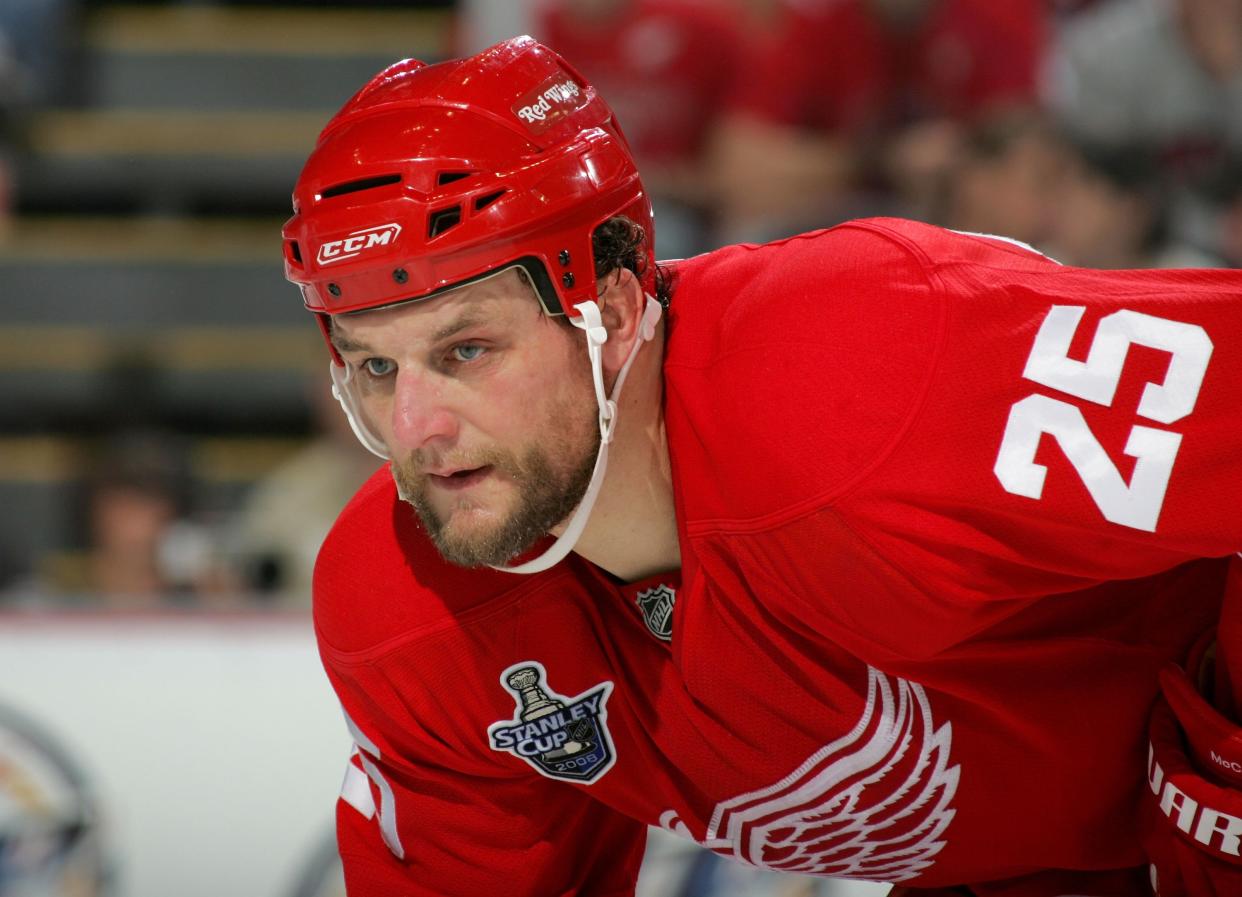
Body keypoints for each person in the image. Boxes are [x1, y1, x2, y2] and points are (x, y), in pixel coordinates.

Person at [281, 37, 1242, 897]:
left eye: (464, 353)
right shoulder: (406, 610)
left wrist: (1220, 785)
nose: (415, 426)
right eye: (373, 365)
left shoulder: (860, 365)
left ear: (610, 315)